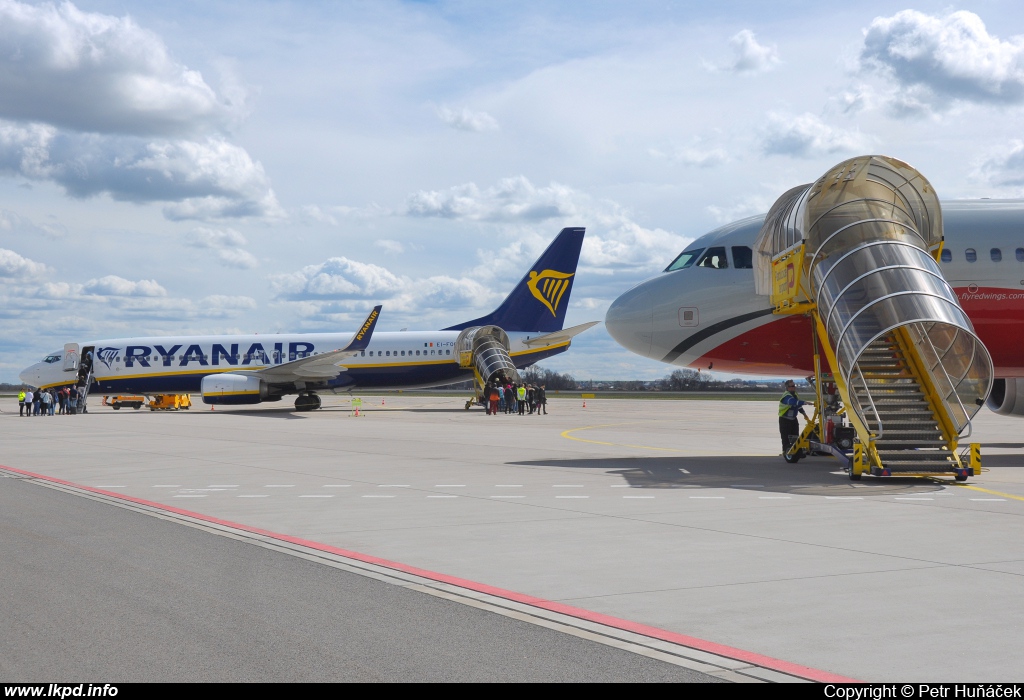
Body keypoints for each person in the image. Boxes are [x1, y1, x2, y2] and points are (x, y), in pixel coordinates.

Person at [778, 380, 811, 456]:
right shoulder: (786, 396)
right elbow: (792, 402)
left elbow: (798, 406)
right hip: (784, 419)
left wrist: (804, 414)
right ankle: (786, 452)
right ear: (787, 387)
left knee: (795, 436)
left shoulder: (795, 394)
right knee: (785, 437)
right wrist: (804, 402)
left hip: (793, 419)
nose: (794, 387)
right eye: (792, 386)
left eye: (794, 385)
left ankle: (797, 452)